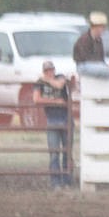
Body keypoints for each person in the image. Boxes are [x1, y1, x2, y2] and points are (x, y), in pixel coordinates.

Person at [32, 61, 73, 189]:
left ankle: (67, 181)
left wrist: (46, 80)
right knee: (54, 153)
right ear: (44, 71)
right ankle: (56, 182)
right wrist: (55, 101)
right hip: (52, 119)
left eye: (51, 70)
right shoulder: (39, 83)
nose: (50, 72)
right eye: (47, 71)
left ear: (54, 70)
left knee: (67, 151)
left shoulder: (60, 77)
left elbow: (60, 85)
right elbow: (36, 99)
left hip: (66, 118)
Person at [73, 11, 109, 77]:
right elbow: (85, 59)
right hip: (83, 66)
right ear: (96, 27)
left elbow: (101, 59)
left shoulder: (99, 40)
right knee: (106, 71)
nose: (104, 29)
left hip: (98, 66)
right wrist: (106, 67)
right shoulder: (83, 39)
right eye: (102, 27)